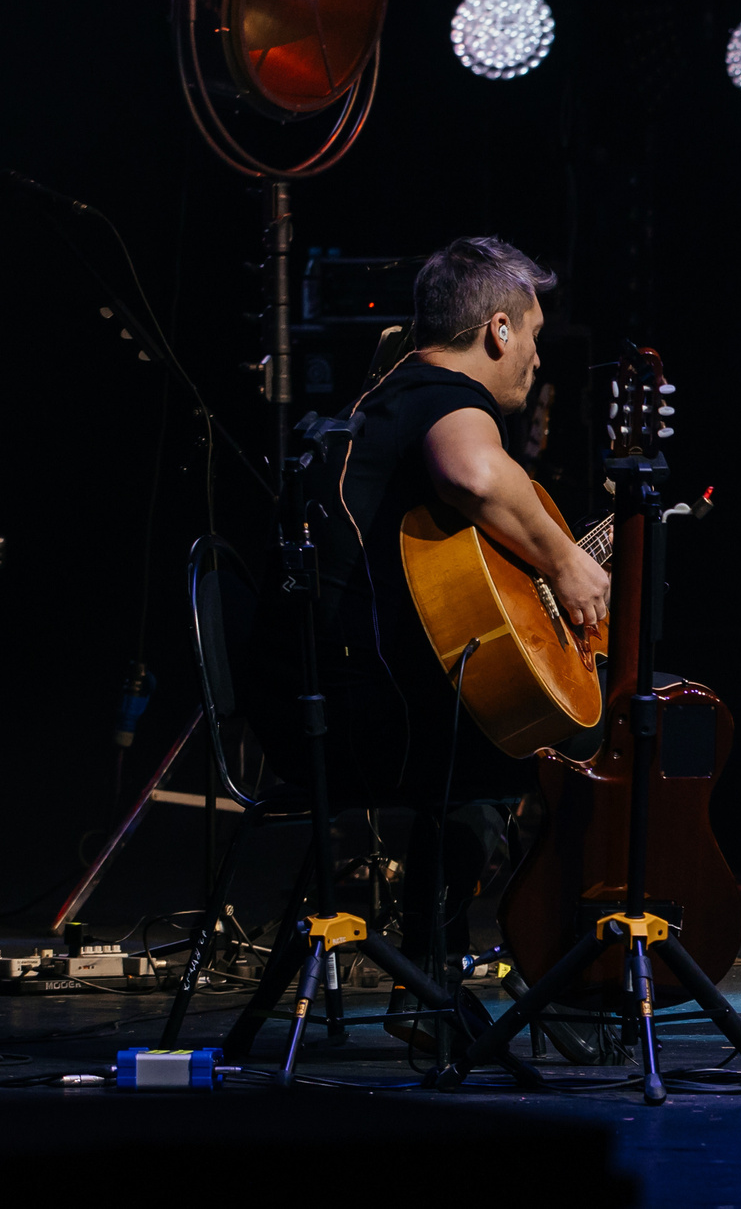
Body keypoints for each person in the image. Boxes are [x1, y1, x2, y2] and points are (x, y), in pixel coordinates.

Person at [253, 237, 609, 989]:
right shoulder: (445, 398)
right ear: (499, 330)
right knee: (574, 736)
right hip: (371, 729)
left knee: (511, 726)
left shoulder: (382, 396)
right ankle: (542, 977)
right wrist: (569, 561)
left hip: (309, 719)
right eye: (534, 336)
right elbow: (475, 476)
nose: (538, 359)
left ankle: (437, 970)